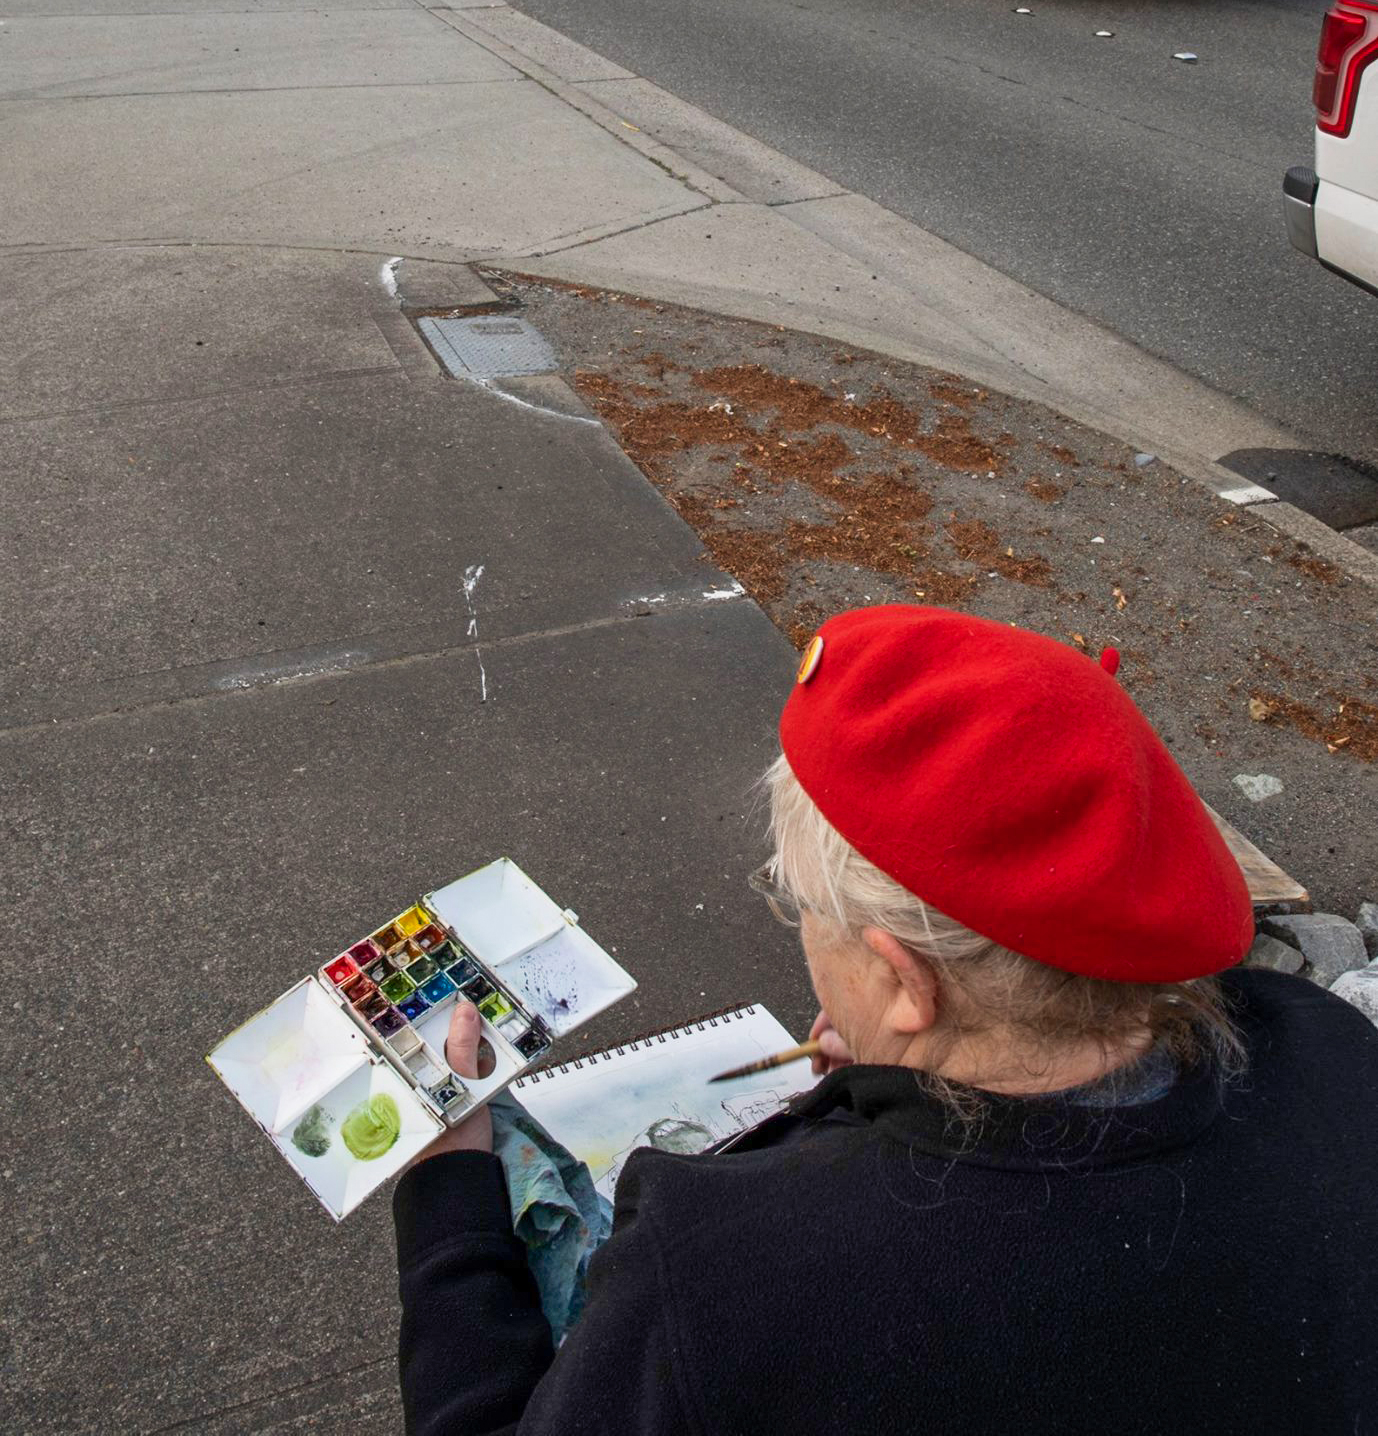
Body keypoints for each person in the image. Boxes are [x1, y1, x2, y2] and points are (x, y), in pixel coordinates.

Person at [393, 605, 1378, 1434]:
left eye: (799, 904)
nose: (800, 928)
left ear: (906, 980)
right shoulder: (1331, 1052)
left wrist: (448, 1185)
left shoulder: (721, 1269)